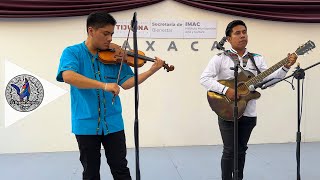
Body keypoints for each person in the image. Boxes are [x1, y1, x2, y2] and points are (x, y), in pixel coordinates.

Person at [56, 11, 164, 180]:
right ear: (91, 31)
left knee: (120, 168)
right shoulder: (73, 52)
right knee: (91, 172)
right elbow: (68, 76)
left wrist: (151, 70)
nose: (110, 39)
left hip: (113, 123)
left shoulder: (115, 56)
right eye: (105, 34)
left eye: (112, 34)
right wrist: (104, 85)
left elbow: (127, 83)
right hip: (86, 124)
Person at [200, 20, 297, 180]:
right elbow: (204, 79)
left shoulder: (256, 59)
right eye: (237, 33)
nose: (242, 35)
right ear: (229, 39)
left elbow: (269, 81)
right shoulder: (220, 58)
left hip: (249, 112)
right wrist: (227, 90)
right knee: (230, 150)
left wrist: (285, 67)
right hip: (226, 110)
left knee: (241, 150)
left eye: (244, 32)